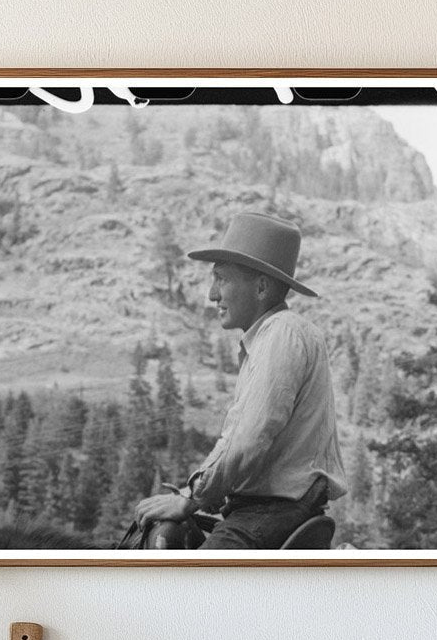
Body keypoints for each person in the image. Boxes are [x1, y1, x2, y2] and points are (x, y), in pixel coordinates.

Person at [134, 211, 347, 549]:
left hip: (270, 514)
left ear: (261, 286)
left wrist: (191, 498)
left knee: (184, 594)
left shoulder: (282, 333)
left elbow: (249, 437)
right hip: (264, 512)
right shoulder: (272, 337)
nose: (212, 295)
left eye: (222, 279)